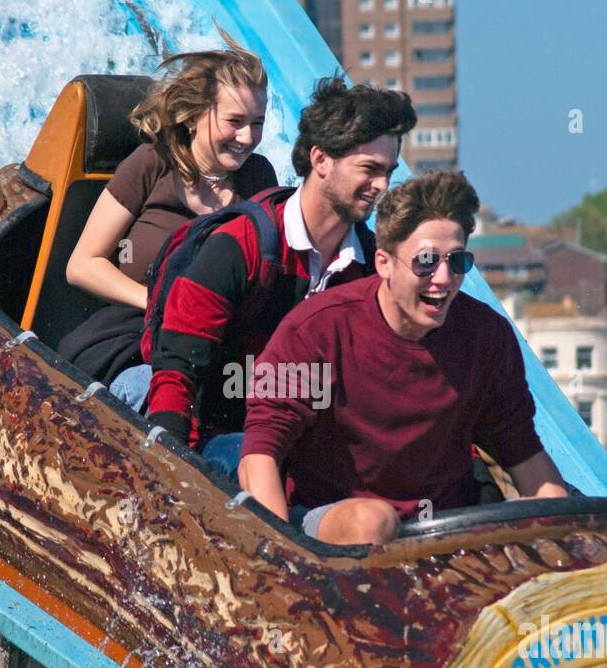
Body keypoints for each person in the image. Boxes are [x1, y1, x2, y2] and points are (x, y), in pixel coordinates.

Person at [238, 170, 570, 545]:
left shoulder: (487, 336)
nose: (443, 278)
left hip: (442, 529)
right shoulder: (315, 329)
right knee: (375, 521)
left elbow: (524, 453)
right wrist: (281, 557)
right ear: (383, 262)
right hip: (330, 529)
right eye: (426, 261)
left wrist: (564, 542)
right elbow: (259, 454)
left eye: (457, 261)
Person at [115, 77, 417, 477]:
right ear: (321, 159)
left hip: (285, 434)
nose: (382, 186)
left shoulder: (369, 269)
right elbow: (177, 371)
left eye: (389, 171)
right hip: (207, 429)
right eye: (370, 169)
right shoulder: (239, 245)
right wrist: (170, 472)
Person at [65, 35, 277, 311]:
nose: (248, 138)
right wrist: (161, 305)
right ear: (191, 117)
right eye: (234, 121)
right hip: (130, 328)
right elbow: (83, 265)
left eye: (257, 123)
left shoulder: (259, 179)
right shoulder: (152, 163)